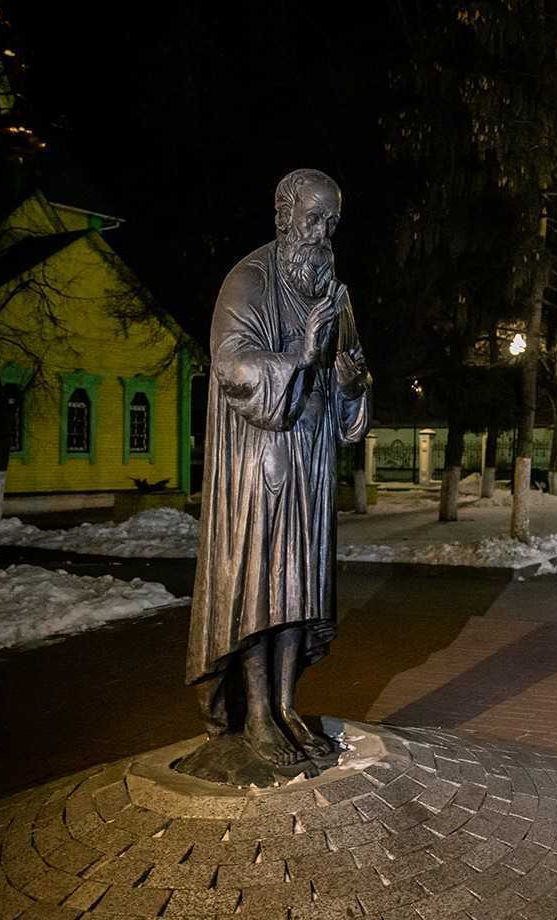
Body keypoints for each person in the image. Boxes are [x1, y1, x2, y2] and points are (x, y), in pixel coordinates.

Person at [185, 169, 371, 768]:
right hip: (259, 465)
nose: (321, 234)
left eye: (331, 223)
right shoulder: (249, 281)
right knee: (262, 586)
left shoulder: (332, 289)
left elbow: (353, 370)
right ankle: (258, 716)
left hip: (311, 462)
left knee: (300, 586)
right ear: (285, 215)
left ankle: (288, 706)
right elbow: (231, 366)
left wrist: (348, 379)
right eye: (312, 219)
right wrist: (297, 354)